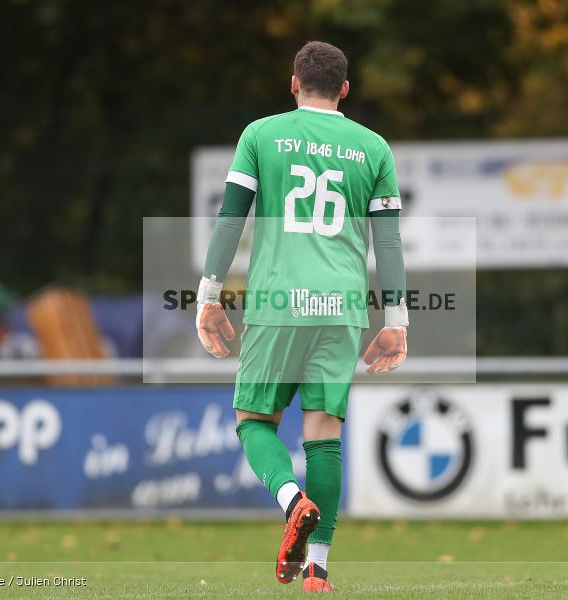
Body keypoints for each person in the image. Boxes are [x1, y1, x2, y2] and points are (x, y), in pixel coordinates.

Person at [196, 40, 408, 593]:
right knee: (324, 434)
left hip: (278, 302)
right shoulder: (374, 147)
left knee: (253, 420)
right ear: (345, 89)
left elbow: (230, 220)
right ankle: (317, 568)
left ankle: (293, 503)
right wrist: (396, 321)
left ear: (294, 83)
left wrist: (208, 297)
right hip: (342, 308)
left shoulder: (261, 135)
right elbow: (389, 243)